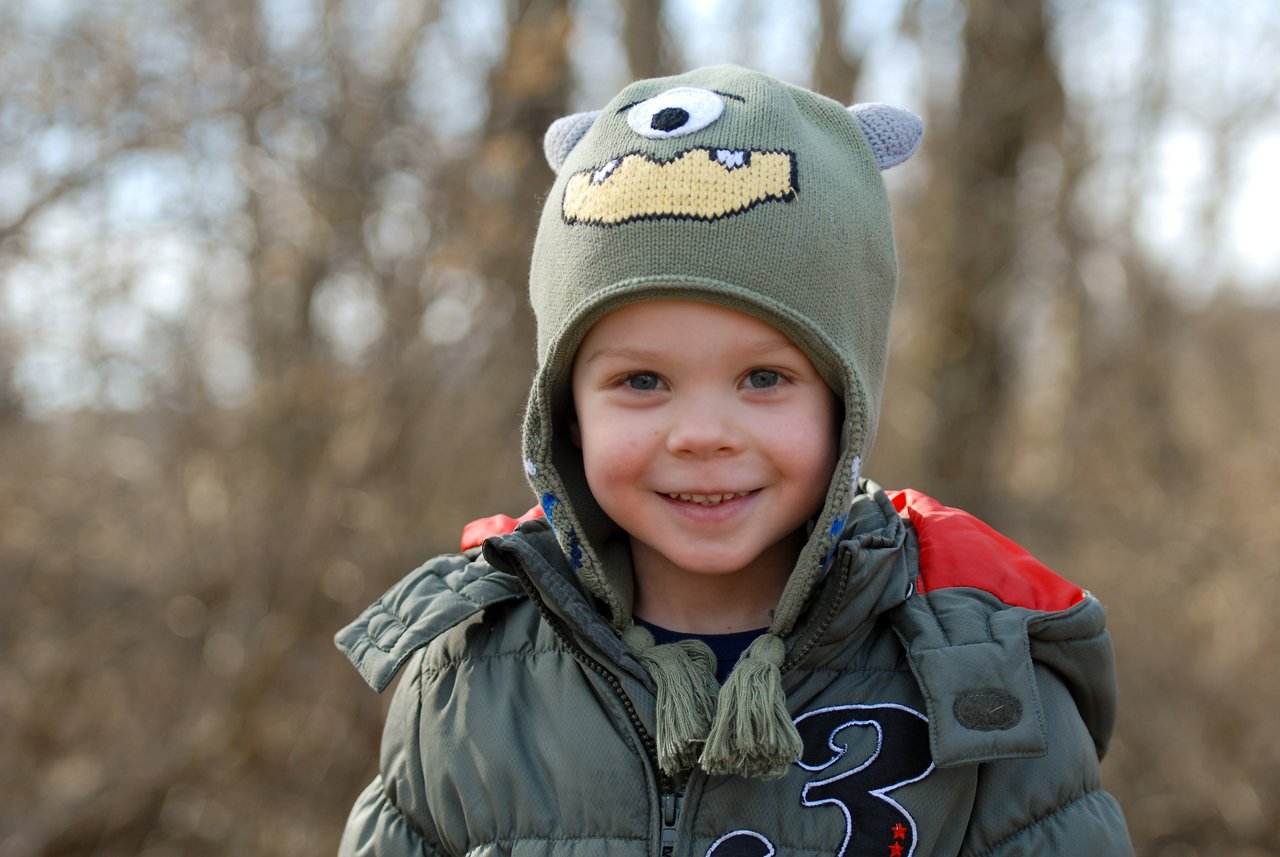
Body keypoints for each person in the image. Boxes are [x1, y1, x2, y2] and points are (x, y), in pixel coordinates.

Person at [334, 66, 1133, 857]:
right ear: (567, 413)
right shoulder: (468, 676)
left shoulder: (979, 679)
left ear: (844, 403)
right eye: (641, 380)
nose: (703, 433)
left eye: (764, 378)